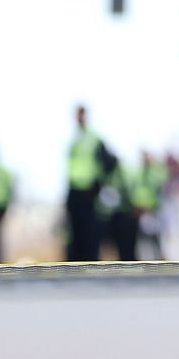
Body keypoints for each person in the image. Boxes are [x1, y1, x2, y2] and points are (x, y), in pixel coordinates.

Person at [66, 104, 108, 261]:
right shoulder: (74, 139)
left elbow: (107, 162)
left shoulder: (94, 138)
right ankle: (76, 261)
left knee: (90, 229)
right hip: (75, 188)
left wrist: (99, 183)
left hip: (90, 189)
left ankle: (91, 259)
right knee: (74, 230)